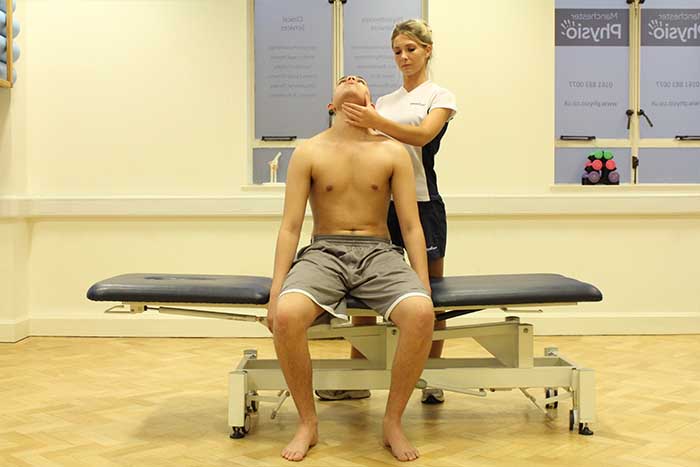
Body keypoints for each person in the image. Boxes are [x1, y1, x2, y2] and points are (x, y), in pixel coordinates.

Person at [267, 74, 436, 462]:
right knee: (289, 316)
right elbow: (290, 226)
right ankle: (307, 422)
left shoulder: (392, 152)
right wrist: (276, 292)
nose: (351, 78)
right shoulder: (308, 151)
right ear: (332, 104)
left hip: (378, 251)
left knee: (420, 313)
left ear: (369, 101)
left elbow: (410, 225)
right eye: (344, 79)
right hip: (324, 251)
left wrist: (422, 282)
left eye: (359, 79)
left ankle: (392, 421)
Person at [317, 19, 457, 405]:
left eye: (410, 49)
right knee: (362, 293)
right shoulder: (388, 100)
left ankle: (431, 377)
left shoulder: (439, 95)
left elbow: (423, 135)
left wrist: (376, 120)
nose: (403, 57)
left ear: (427, 50)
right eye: (397, 51)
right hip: (381, 206)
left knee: (432, 294)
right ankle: (357, 376)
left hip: (422, 204)